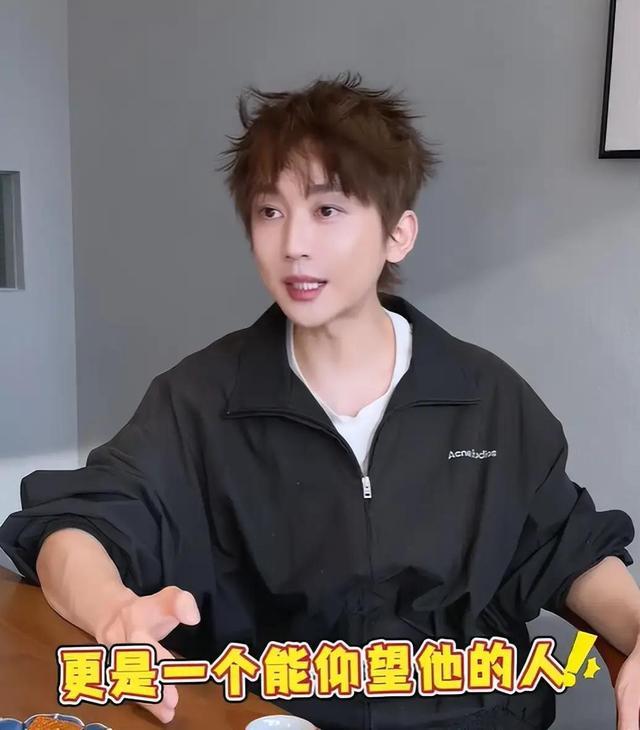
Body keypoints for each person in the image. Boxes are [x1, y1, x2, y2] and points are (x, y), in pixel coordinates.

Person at [0, 71, 638, 730]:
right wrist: (112, 612)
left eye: (327, 210)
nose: (293, 245)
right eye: (270, 212)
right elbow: (78, 526)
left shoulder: (488, 398)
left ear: (398, 233)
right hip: (271, 716)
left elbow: (567, 547)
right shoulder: (199, 401)